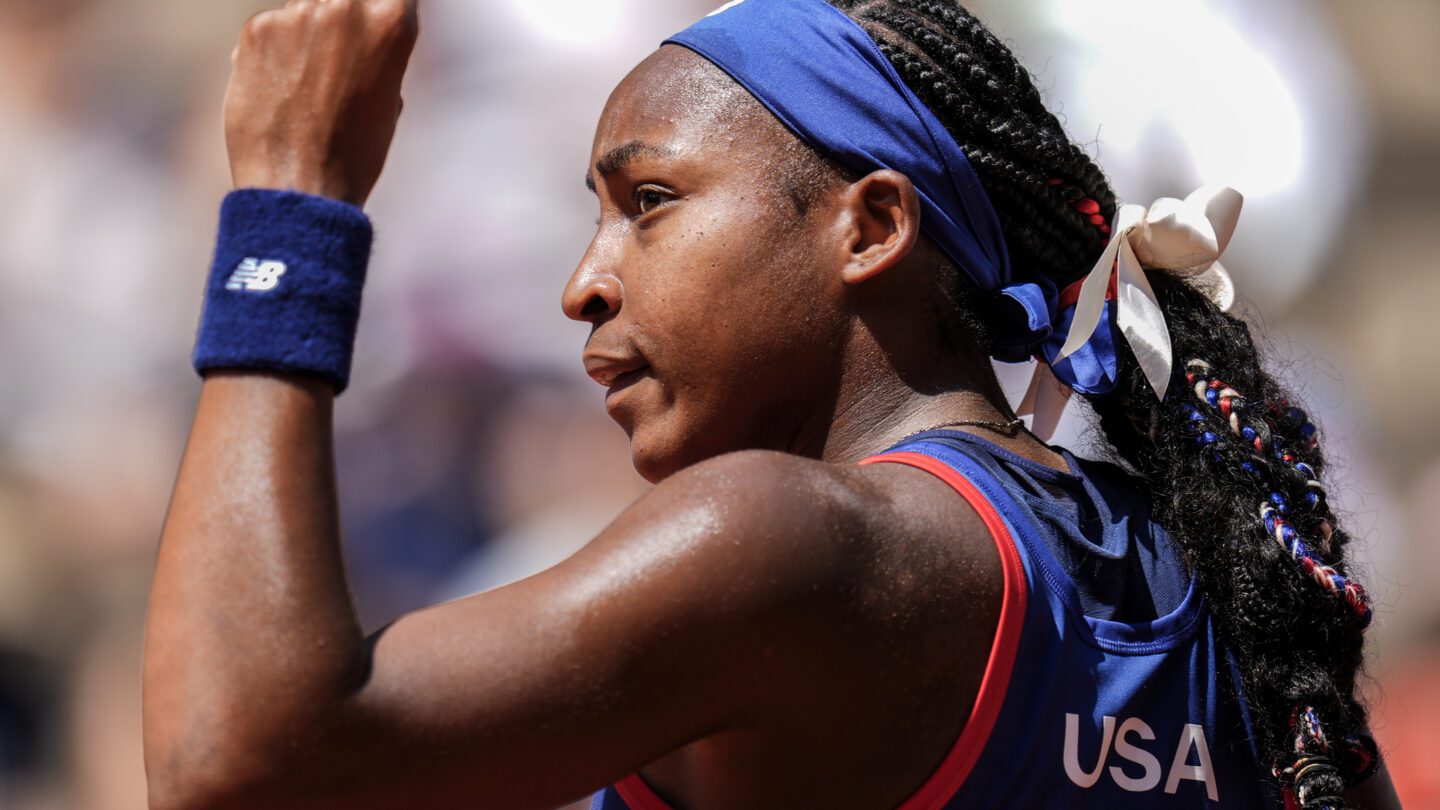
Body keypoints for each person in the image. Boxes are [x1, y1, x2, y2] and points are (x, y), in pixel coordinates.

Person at [142, 0, 1401, 808]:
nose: (583, 284)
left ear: (870, 226)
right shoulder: (1224, 590)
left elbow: (239, 756)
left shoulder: (795, 544)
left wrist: (293, 198)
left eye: (649, 204)